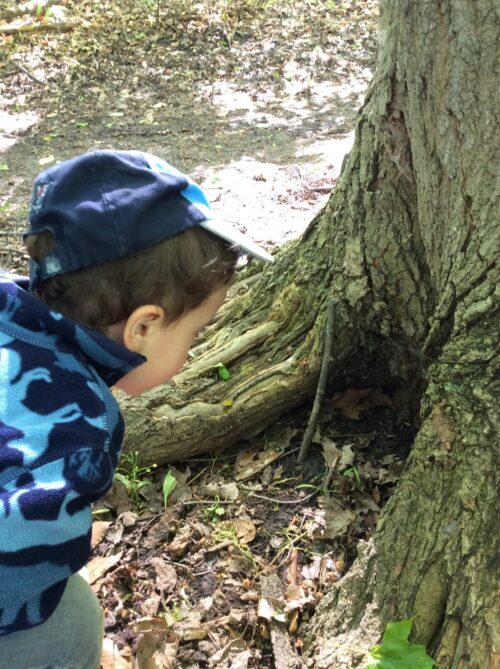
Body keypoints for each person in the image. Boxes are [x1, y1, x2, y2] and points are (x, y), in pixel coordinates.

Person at [0, 150, 273, 668]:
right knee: (71, 621)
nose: (191, 352)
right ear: (143, 326)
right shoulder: (77, 430)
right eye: (192, 335)